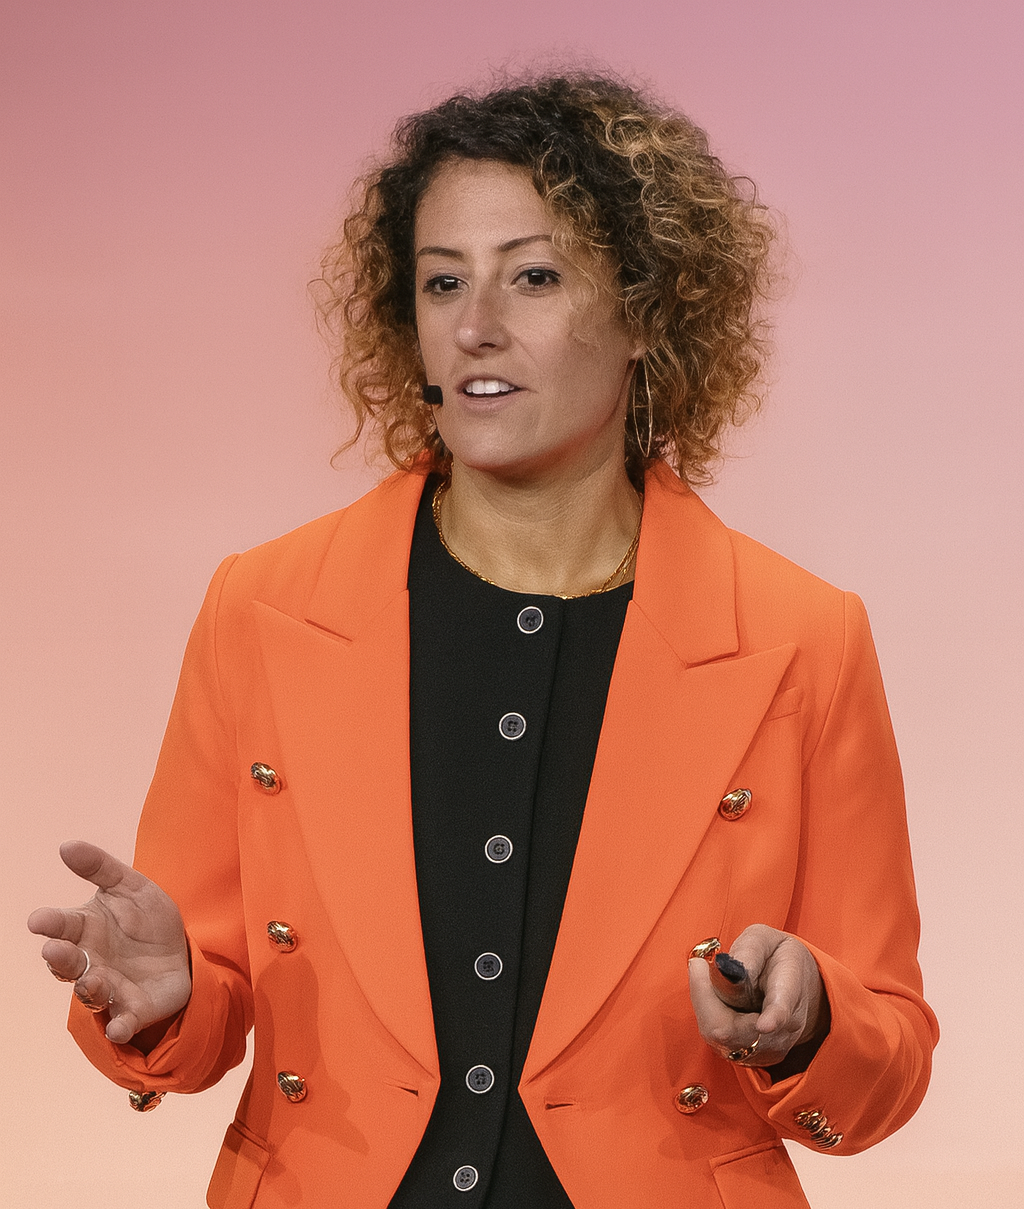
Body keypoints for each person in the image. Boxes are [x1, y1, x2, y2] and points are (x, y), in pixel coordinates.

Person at [28, 73, 938, 1208]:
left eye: (535, 276)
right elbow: (203, 999)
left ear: (650, 311)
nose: (475, 325)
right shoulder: (262, 607)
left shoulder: (803, 638)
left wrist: (810, 1023)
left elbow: (888, 1056)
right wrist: (164, 997)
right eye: (443, 281)